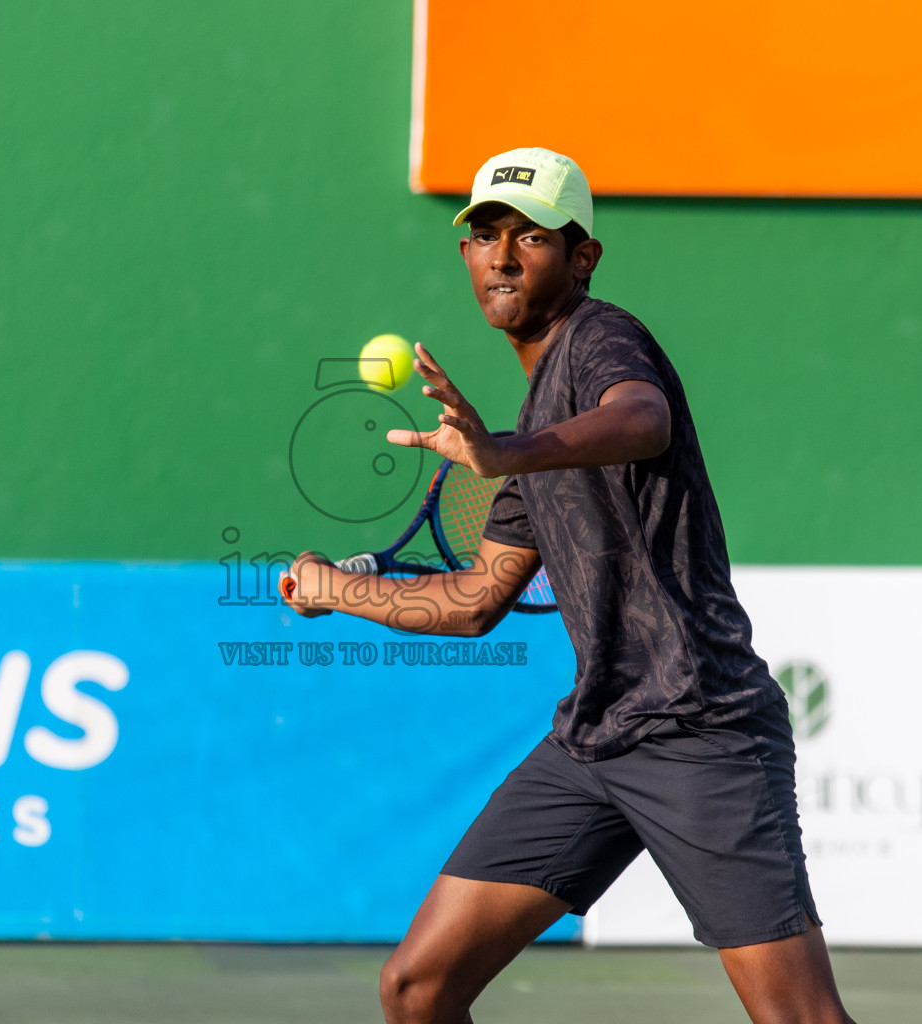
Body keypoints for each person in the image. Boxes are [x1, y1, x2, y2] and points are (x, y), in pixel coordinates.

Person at [283, 147, 855, 1024]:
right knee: (417, 987)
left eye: (531, 236)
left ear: (581, 257)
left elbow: (643, 419)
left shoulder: (601, 339)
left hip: (702, 730)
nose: (501, 255)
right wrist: (331, 590)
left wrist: (506, 451)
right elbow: (474, 601)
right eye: (483, 235)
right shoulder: (530, 434)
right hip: (594, 742)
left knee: (800, 1019)